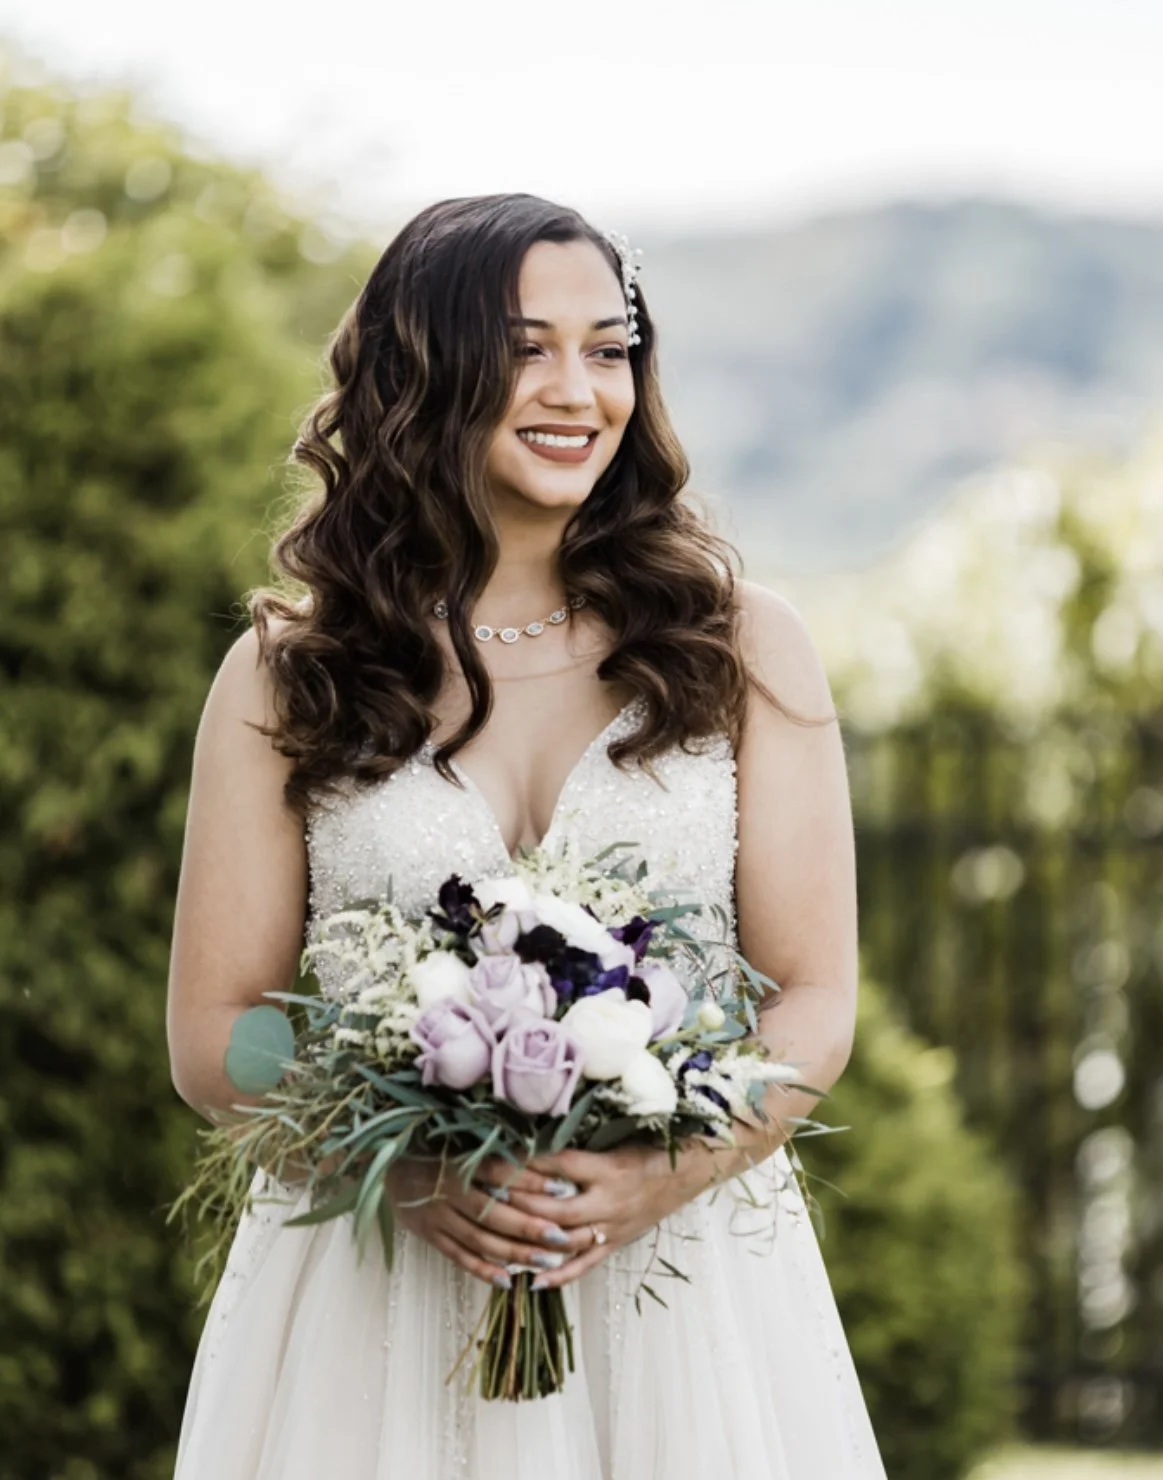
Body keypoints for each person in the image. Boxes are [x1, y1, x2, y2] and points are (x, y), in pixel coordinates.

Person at [167, 192, 886, 1478]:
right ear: (419, 372)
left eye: (609, 348)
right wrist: (391, 1160)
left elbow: (815, 993)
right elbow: (222, 1028)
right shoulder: (293, 673)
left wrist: (662, 1175)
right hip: (373, 1294)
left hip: (685, 1298)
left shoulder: (741, 646)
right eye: (525, 347)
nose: (579, 390)